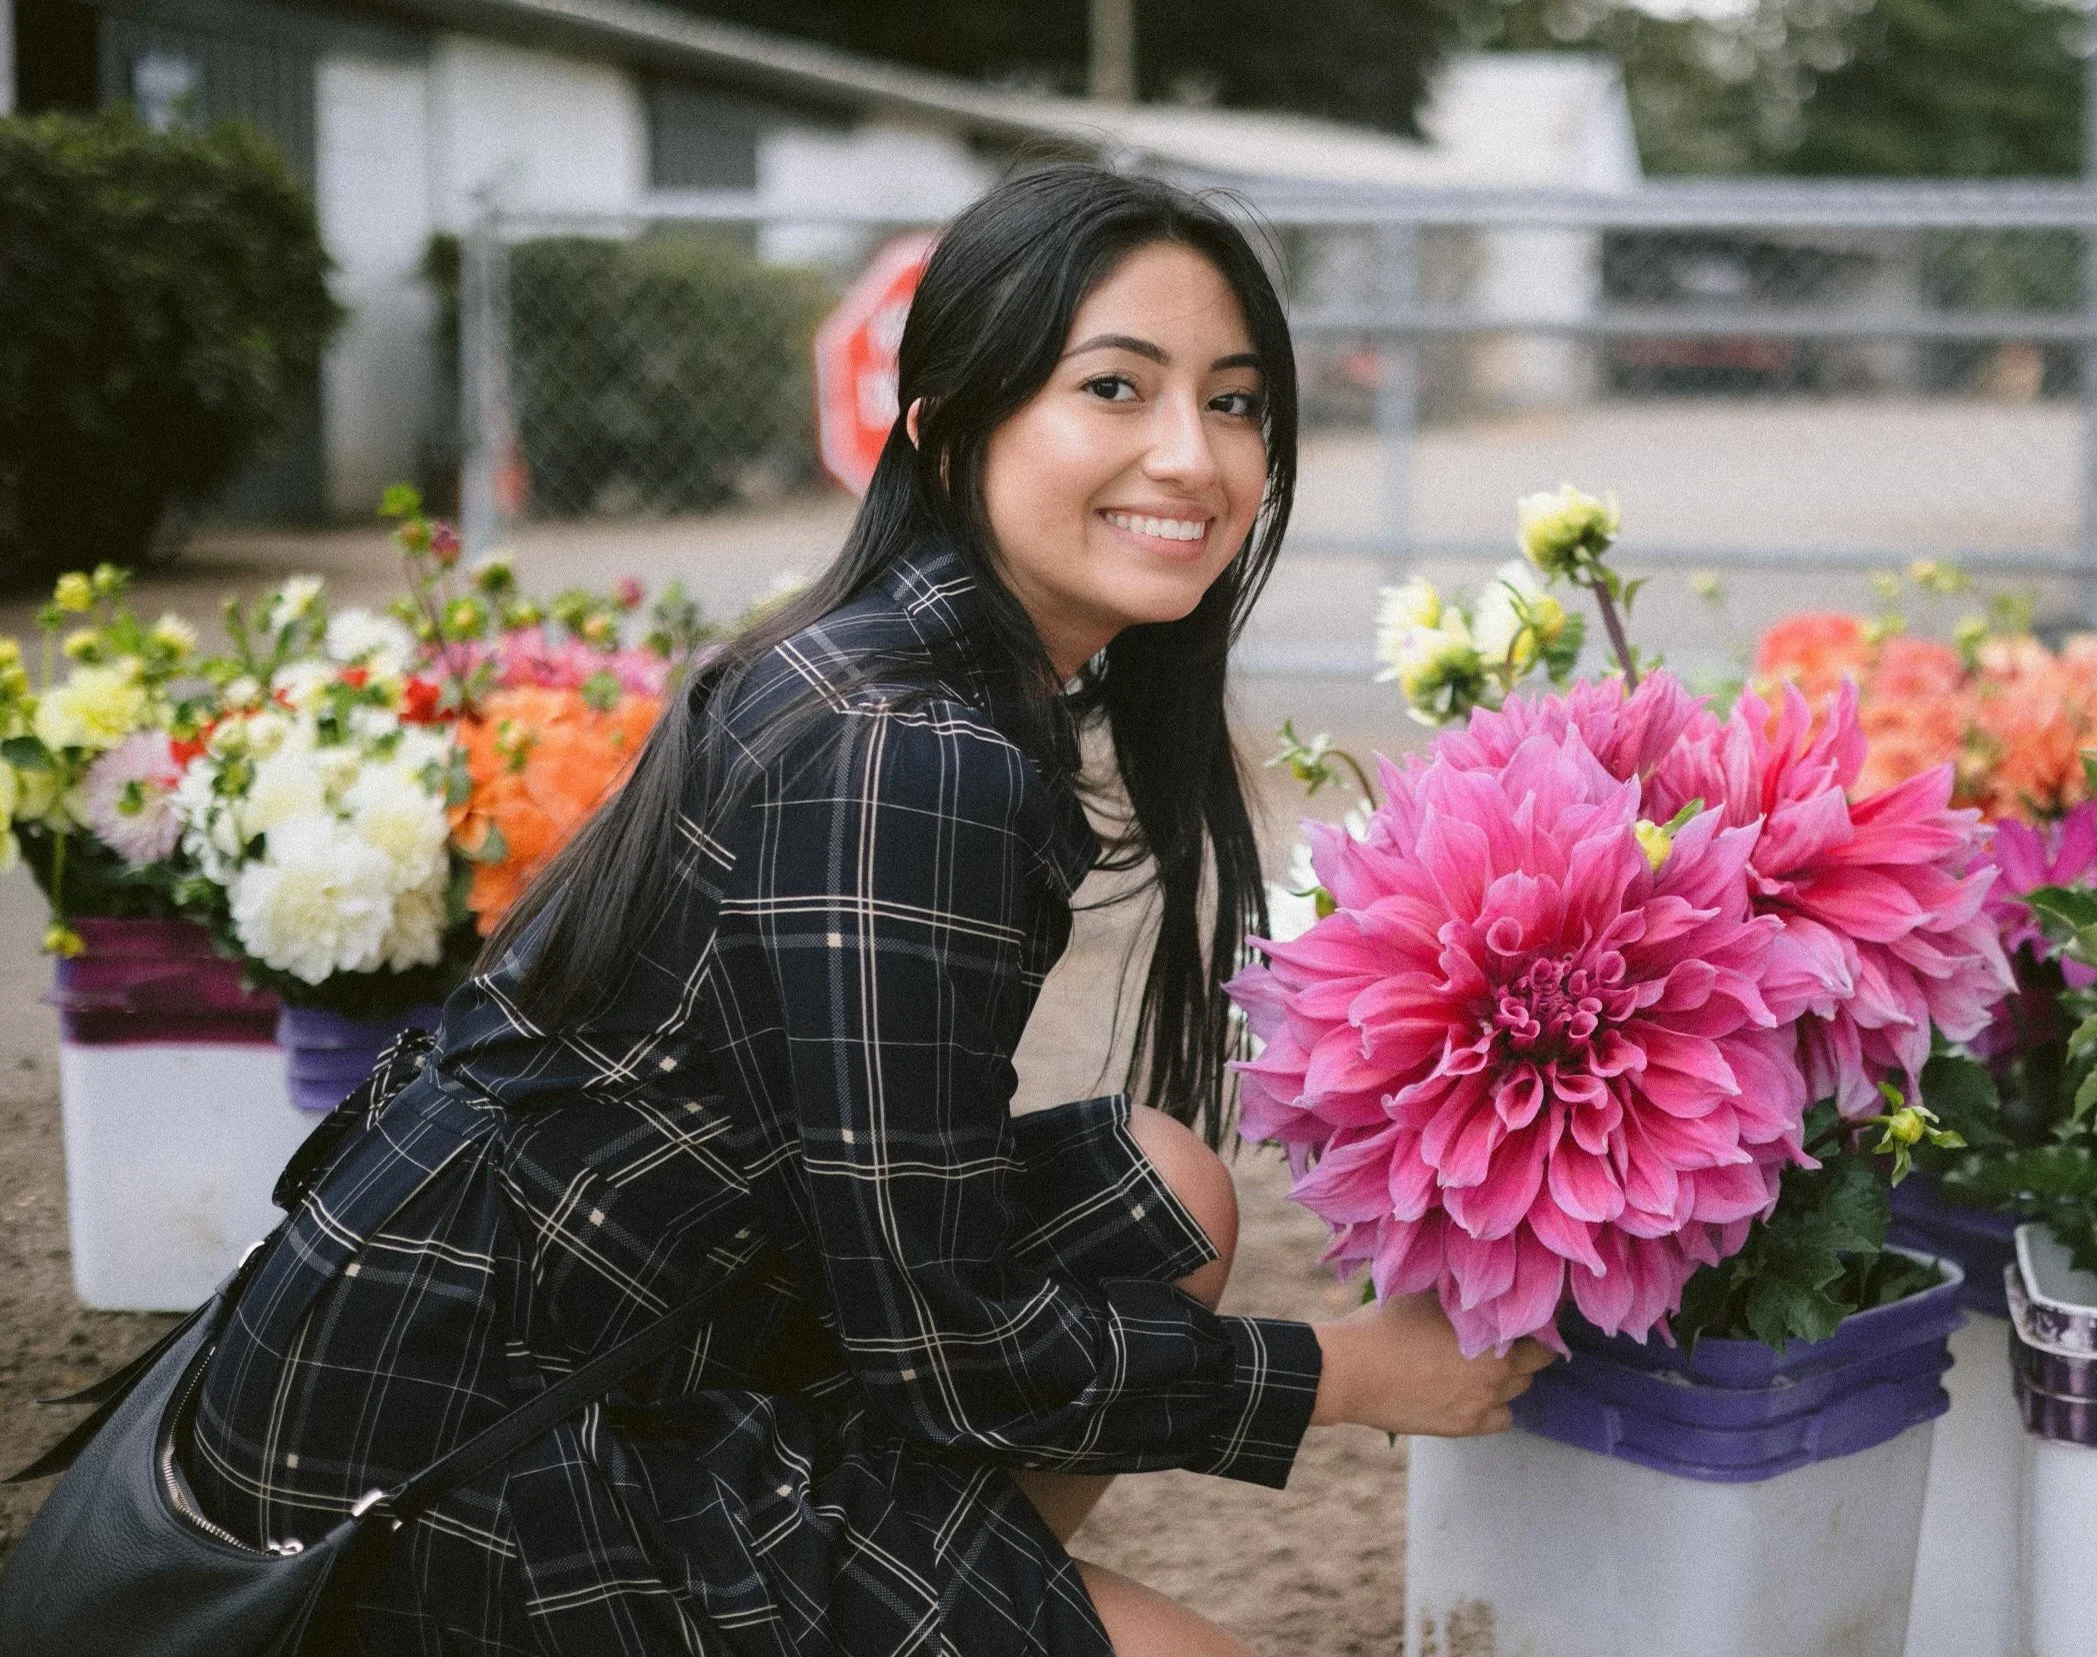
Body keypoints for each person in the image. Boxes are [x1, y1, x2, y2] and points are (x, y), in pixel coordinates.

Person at [182, 164, 1553, 1657]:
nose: (1192, 457)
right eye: (1115, 387)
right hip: (443, 1463)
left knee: (1162, 1188)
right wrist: (1346, 1374)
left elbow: (909, 1241)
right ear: (949, 426)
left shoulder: (899, 663)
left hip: (580, 1343)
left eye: (1232, 402)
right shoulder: (915, 755)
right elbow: (949, 1343)